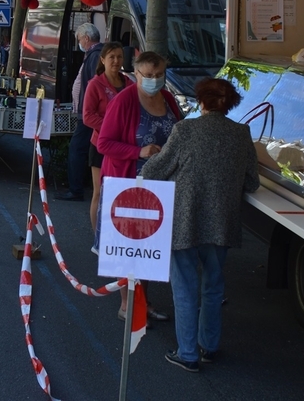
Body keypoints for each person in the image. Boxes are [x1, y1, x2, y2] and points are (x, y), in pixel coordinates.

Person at [141, 77, 260, 372]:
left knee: (184, 286)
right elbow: (252, 182)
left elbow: (155, 169)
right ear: (229, 104)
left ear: (202, 102)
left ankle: (188, 353)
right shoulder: (241, 133)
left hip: (186, 220)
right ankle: (210, 345)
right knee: (214, 287)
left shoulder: (186, 130)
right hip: (222, 222)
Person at [97, 50, 181, 322]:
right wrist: (139, 151)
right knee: (129, 247)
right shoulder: (123, 102)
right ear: (136, 75)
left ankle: (143, 301)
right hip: (129, 185)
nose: (154, 80)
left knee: (150, 246)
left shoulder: (167, 98)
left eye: (159, 75)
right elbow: (104, 143)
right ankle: (127, 304)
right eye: (149, 75)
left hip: (161, 187)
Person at [82, 42, 131, 254]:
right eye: (111, 57)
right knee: (100, 193)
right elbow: (87, 116)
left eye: (119, 57)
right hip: (101, 145)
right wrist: (110, 127)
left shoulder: (129, 83)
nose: (116, 61)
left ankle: (118, 236)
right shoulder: (96, 84)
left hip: (124, 147)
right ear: (103, 59)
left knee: (121, 194)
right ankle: (98, 239)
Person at [57, 23, 102, 202]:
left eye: (78, 39)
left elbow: (93, 86)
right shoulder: (94, 54)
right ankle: (80, 186)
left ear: (86, 38)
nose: (79, 43)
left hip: (89, 114)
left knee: (78, 148)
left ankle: (76, 189)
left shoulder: (95, 55)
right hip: (88, 112)